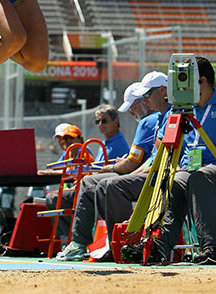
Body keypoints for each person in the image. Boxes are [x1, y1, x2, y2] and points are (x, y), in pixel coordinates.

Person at [123, 57, 216, 265]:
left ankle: (213, 247)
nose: (179, 87)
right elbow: (161, 143)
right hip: (191, 170)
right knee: (174, 180)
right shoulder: (182, 108)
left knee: (198, 179)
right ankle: (158, 247)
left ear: (202, 81)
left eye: (184, 81)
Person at [56, 71, 170, 261]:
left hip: (148, 176)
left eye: (134, 106)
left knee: (96, 183)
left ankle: (109, 242)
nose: (132, 112)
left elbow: (132, 164)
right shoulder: (156, 119)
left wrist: (109, 168)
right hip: (143, 173)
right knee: (93, 183)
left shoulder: (149, 122)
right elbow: (142, 159)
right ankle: (103, 241)